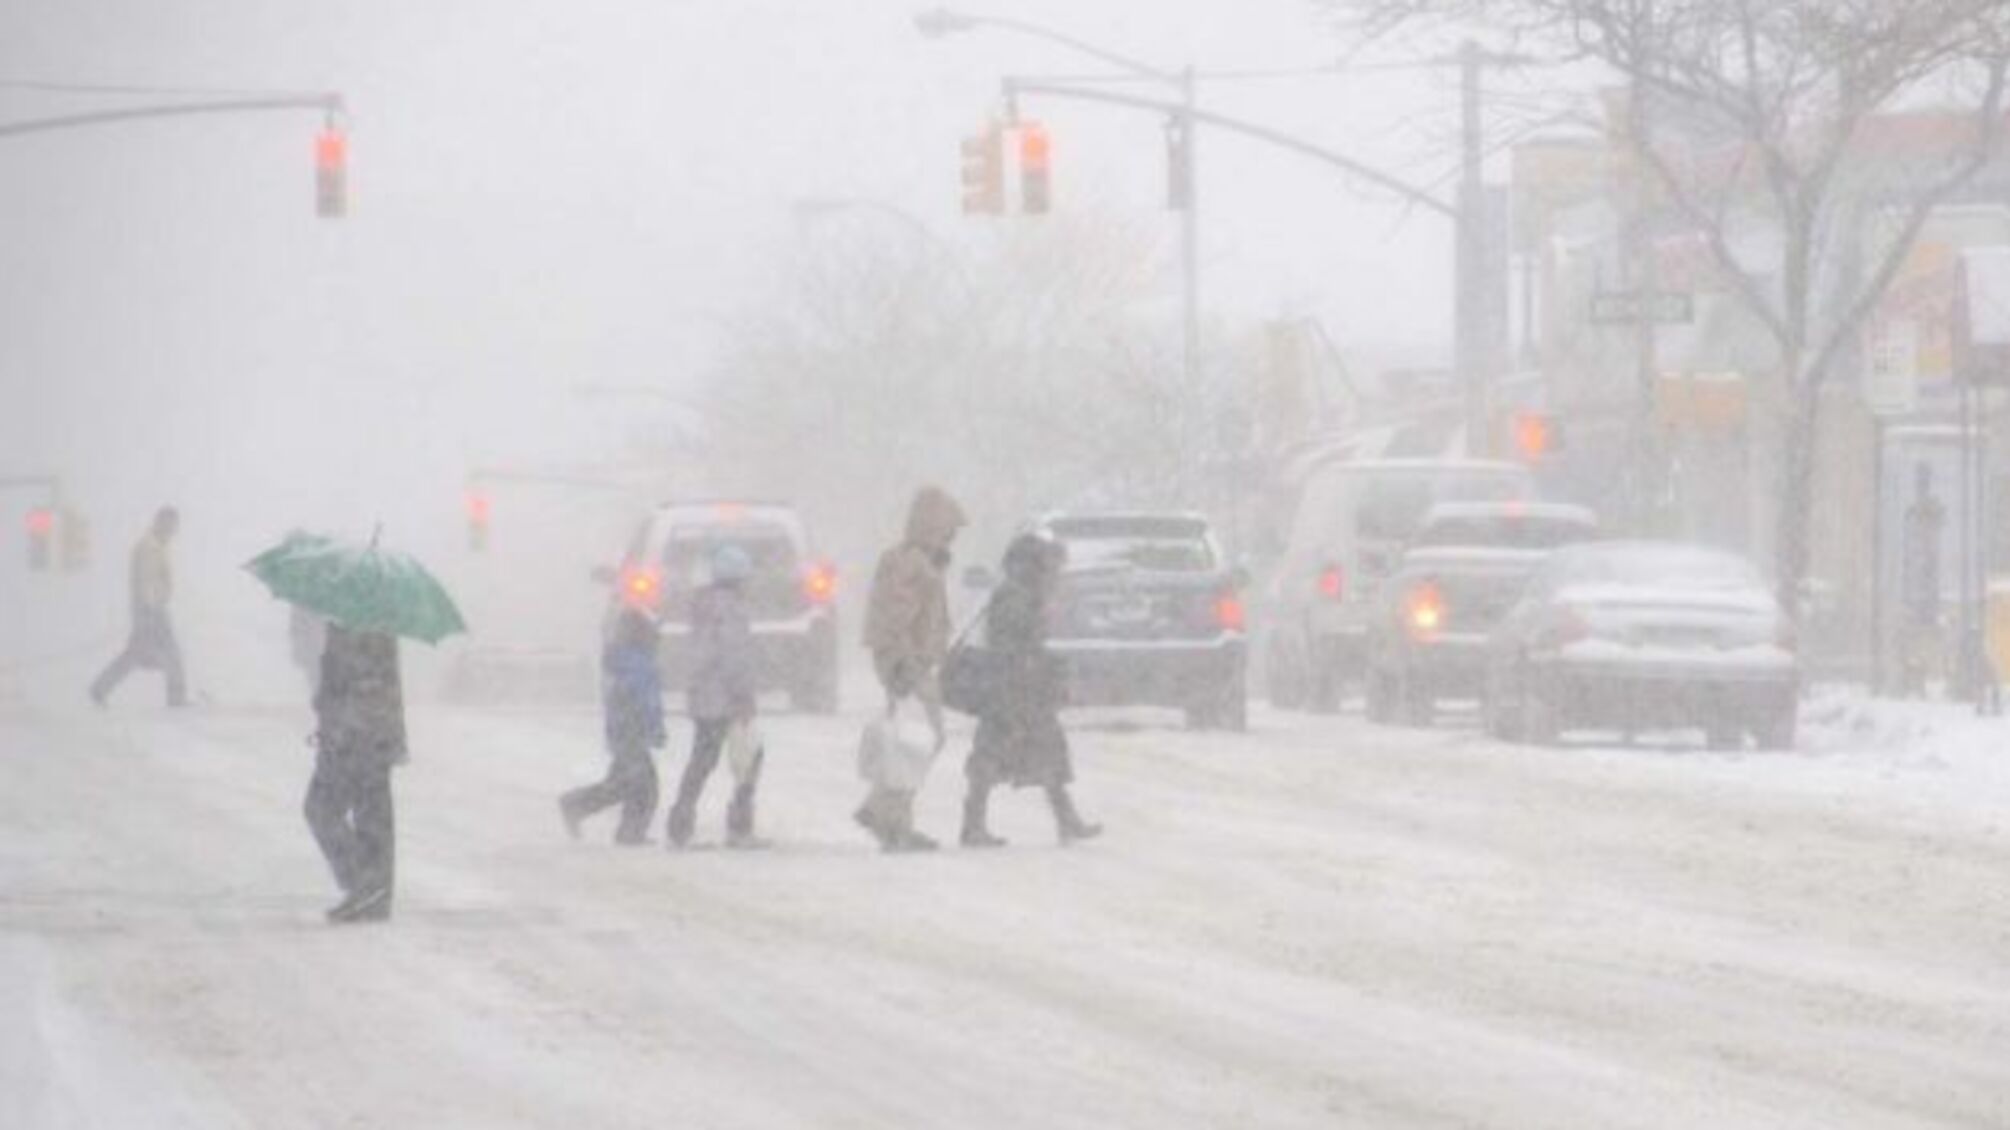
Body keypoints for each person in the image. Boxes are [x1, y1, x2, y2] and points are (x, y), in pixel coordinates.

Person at [961, 534, 1100, 848]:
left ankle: (1065, 820)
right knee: (997, 756)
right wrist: (1036, 671)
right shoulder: (1017, 597)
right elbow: (1018, 646)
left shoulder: (1020, 593)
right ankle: (974, 824)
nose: (1057, 575)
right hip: (1014, 691)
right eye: (1052, 567)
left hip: (1016, 689)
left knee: (1039, 752)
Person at [858, 486, 967, 853]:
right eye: (949, 529)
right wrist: (904, 660)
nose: (951, 537)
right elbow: (897, 616)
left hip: (908, 660)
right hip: (908, 663)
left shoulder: (911, 559)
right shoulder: (912, 563)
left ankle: (891, 817)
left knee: (911, 740)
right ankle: (885, 813)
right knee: (922, 740)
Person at [304, 623, 407, 924]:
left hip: (357, 736)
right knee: (371, 813)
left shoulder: (362, 624)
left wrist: (331, 702)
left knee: (323, 808)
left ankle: (367, 885)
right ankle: (372, 891)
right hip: (368, 733)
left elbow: (362, 681)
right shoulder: (357, 621)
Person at [665, 545, 764, 850]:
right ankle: (739, 826)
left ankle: (680, 823)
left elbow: (701, 651)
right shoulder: (732, 609)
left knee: (701, 760)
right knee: (750, 759)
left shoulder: (702, 604)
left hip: (704, 695)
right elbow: (734, 655)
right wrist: (743, 695)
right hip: (726, 696)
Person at [560, 608, 666, 845]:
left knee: (626, 782)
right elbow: (642, 700)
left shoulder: (624, 659)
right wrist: (650, 728)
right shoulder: (638, 662)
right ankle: (581, 807)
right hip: (632, 731)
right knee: (642, 785)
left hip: (625, 730)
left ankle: (621, 826)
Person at [89, 506, 187, 708]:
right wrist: (151, 609)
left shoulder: (157, 546)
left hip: (151, 608)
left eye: (174, 526)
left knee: (134, 655)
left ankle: (99, 688)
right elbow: (145, 581)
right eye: (169, 524)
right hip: (151, 609)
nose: (172, 530)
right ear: (159, 522)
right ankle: (177, 699)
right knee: (172, 654)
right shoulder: (148, 547)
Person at [1899, 464, 1947, 698]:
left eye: (1924, 481)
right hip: (1920, 563)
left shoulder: (1927, 509)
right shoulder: (1916, 510)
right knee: (1922, 590)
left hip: (1926, 562)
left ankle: (1924, 619)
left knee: (1926, 589)